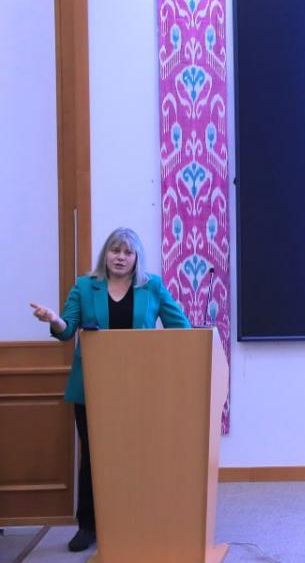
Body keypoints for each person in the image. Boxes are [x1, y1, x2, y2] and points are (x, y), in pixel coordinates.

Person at [30, 227, 191, 553]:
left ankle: (139, 521)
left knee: (139, 455)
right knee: (94, 458)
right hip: (93, 387)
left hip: (140, 387)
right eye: (115, 251)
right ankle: (88, 526)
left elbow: (182, 329)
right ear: (106, 254)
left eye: (128, 252)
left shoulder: (152, 286)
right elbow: (66, 330)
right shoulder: (84, 286)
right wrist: (54, 319)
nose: (120, 257)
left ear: (136, 257)